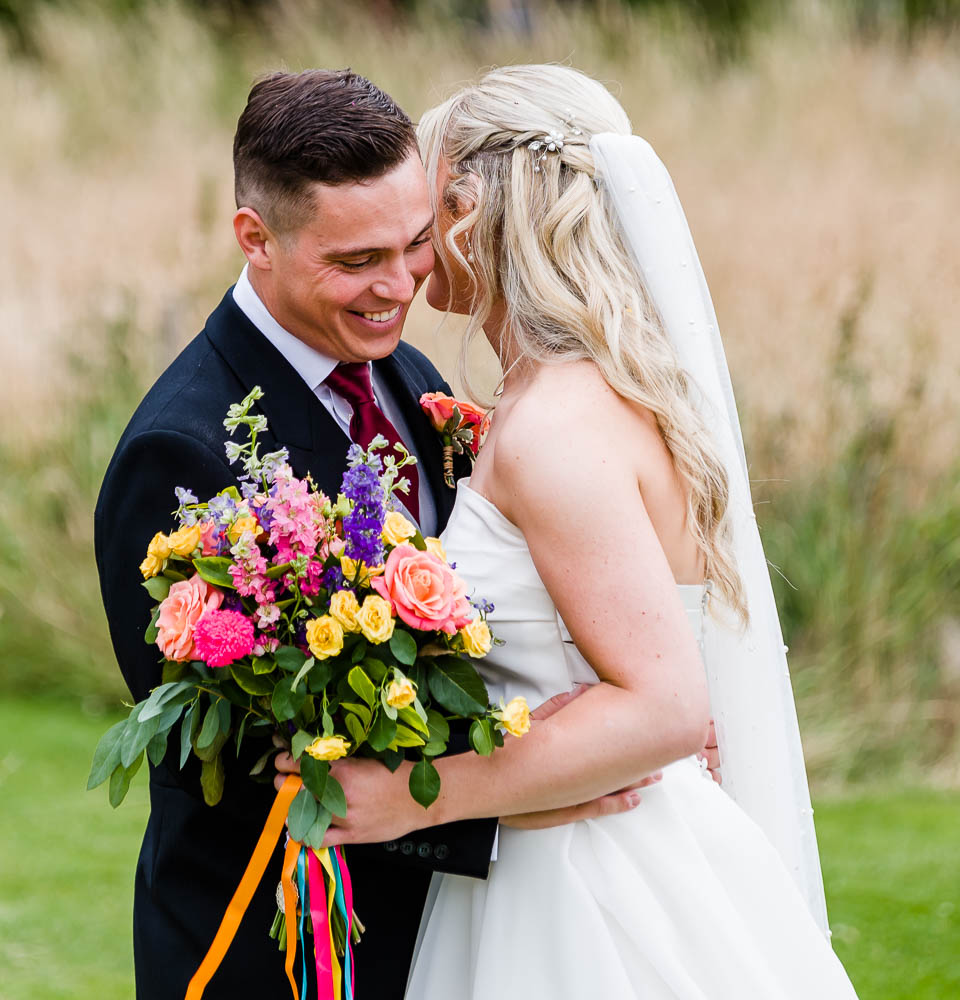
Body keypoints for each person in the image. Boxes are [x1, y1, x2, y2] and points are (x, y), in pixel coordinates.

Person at [275, 65, 860, 997]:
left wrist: (414, 801)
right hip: (572, 841)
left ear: (468, 213)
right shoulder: (565, 396)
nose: (410, 257)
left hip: (589, 883)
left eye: (423, 222)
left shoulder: (556, 426)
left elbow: (663, 708)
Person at [94, 68, 655, 1000]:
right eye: (357, 260)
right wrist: (506, 802)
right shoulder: (182, 450)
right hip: (273, 952)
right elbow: (225, 764)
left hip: (441, 938)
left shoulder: (406, 373)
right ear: (256, 238)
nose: (398, 287)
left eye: (417, 243)